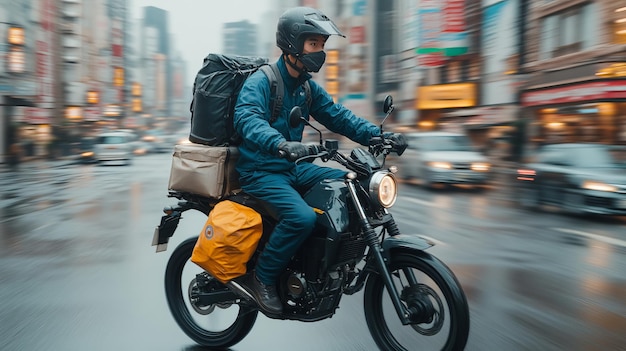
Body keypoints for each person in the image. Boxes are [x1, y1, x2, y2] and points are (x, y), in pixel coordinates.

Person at [233, 6, 407, 314]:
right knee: (301, 217)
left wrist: (378, 136)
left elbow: (339, 117)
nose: (321, 52)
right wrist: (280, 144)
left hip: (293, 169)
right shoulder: (263, 81)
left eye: (323, 45)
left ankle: (323, 264)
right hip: (261, 172)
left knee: (351, 188)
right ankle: (262, 279)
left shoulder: (306, 88)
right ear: (292, 44)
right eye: (314, 44)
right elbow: (247, 118)